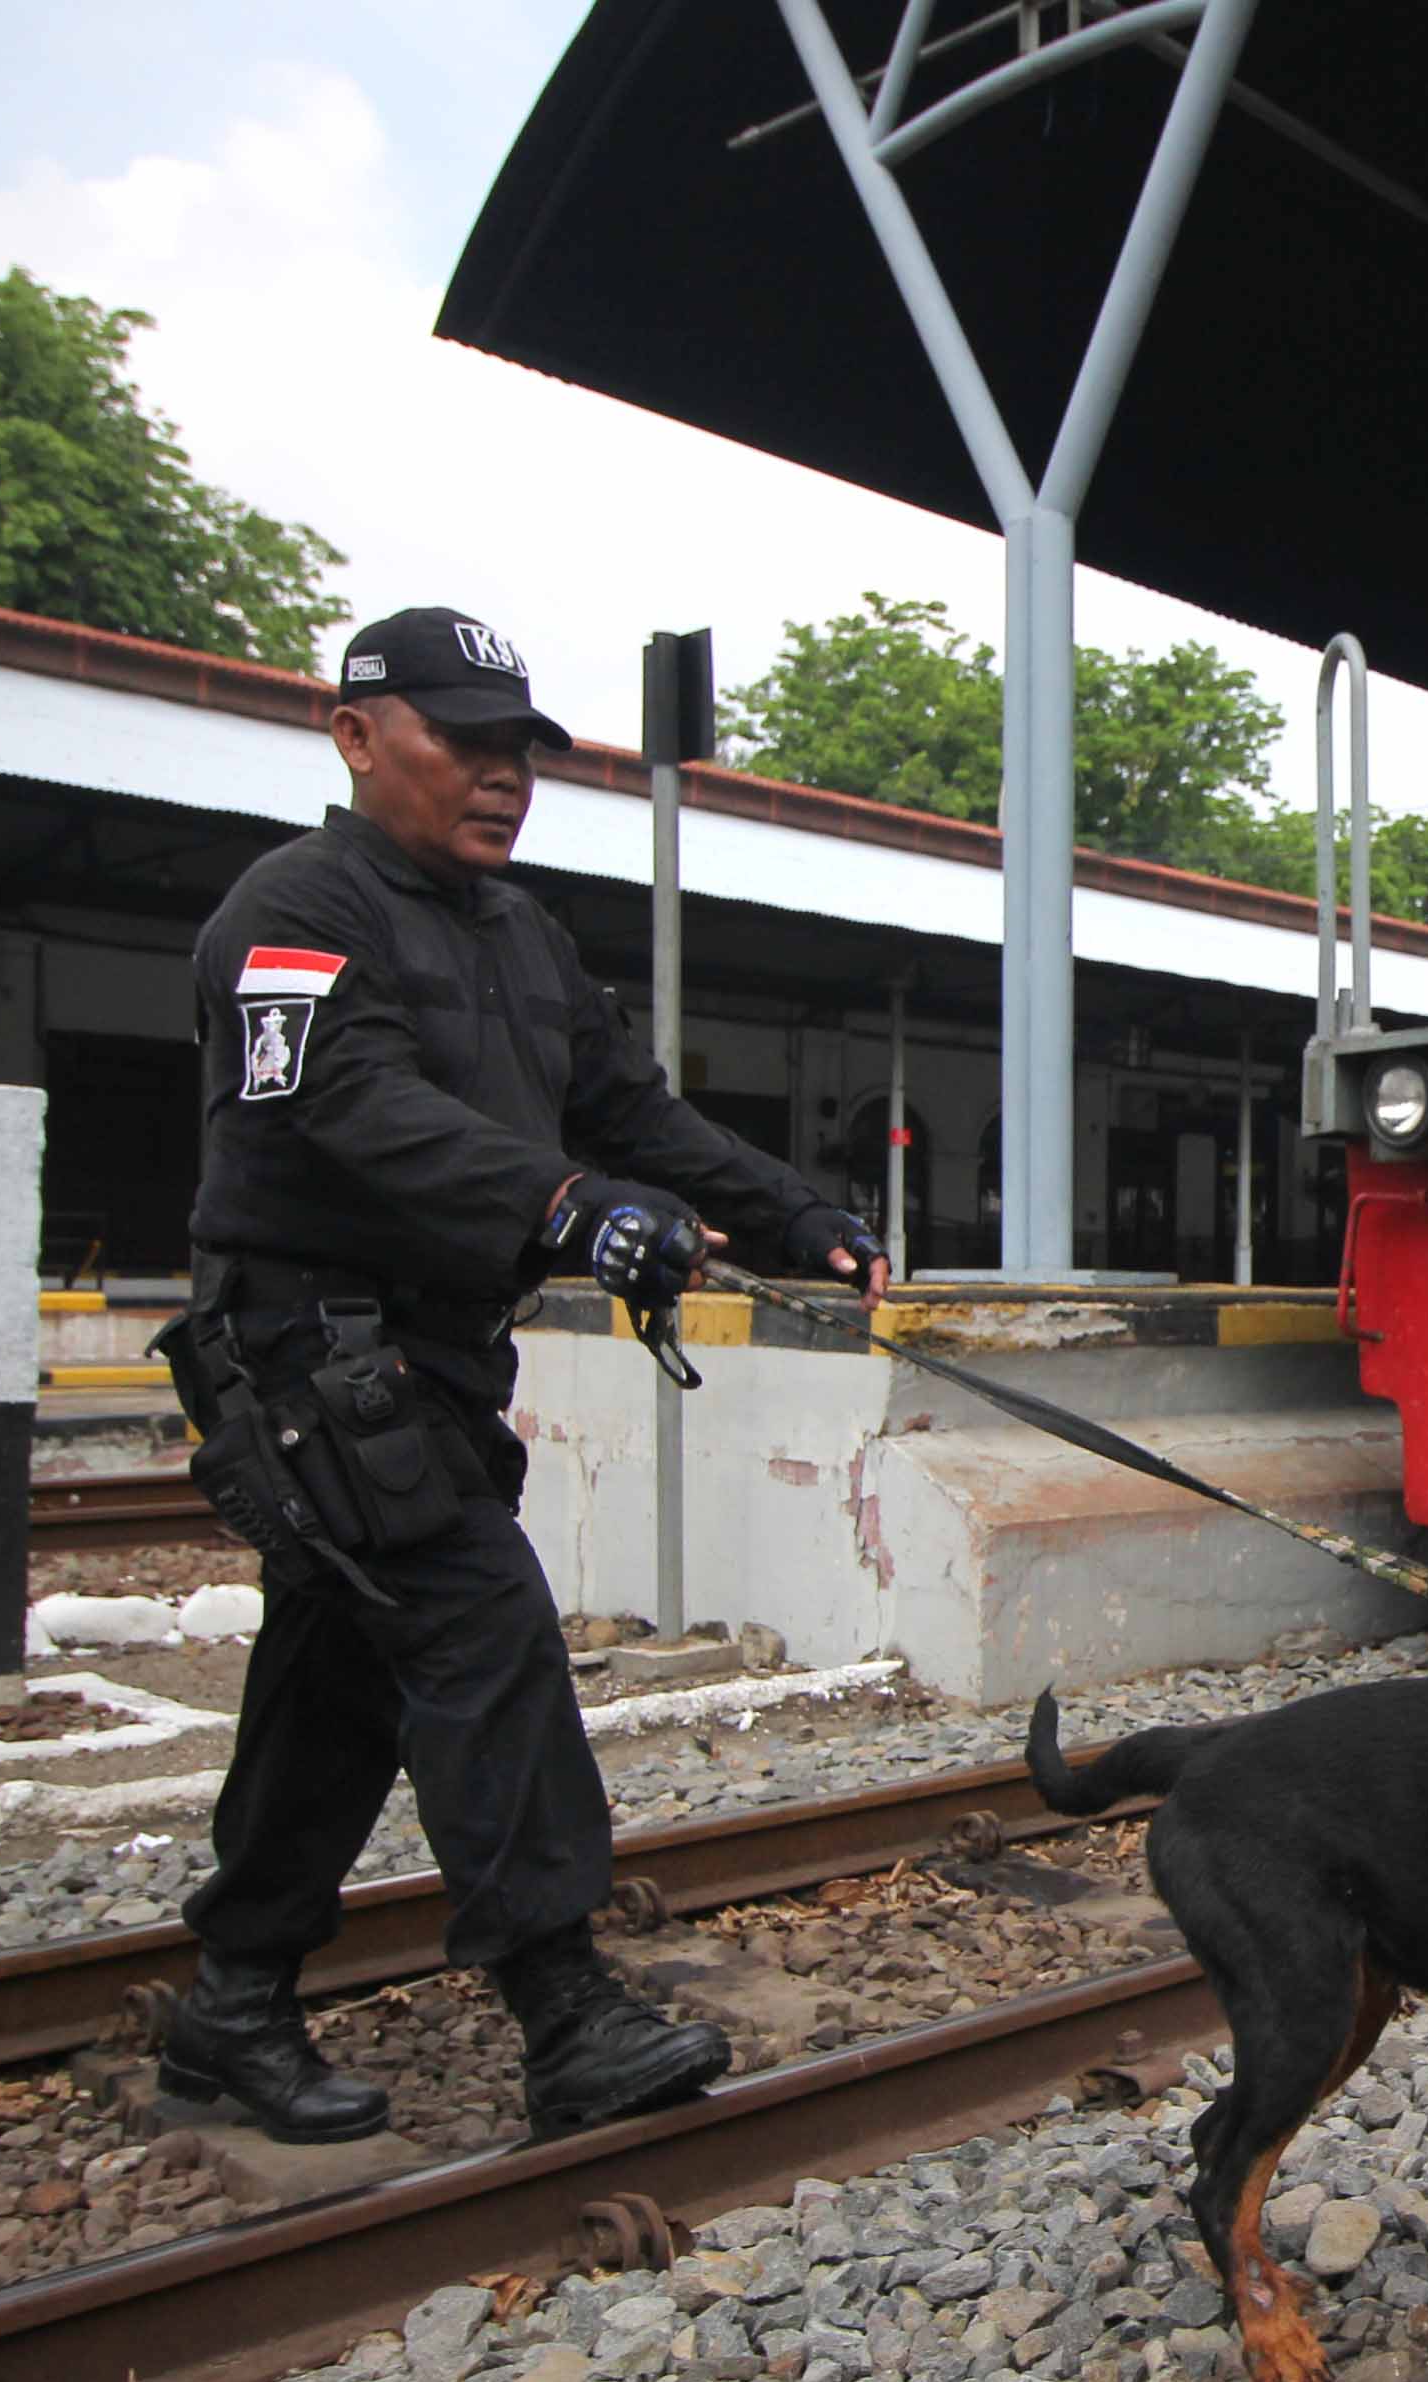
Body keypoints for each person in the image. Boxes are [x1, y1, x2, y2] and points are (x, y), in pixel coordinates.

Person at [156, 605, 886, 2143]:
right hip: (307, 1349)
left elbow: (629, 1109)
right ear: (357, 737)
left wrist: (795, 1211)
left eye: (517, 751)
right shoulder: (287, 915)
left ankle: (230, 2003)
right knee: (481, 1633)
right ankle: (564, 2011)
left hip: (423, 1359)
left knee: (342, 1675)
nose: (502, 779)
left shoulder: (520, 934)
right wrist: (562, 1206)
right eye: (462, 743)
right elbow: (347, 1109)